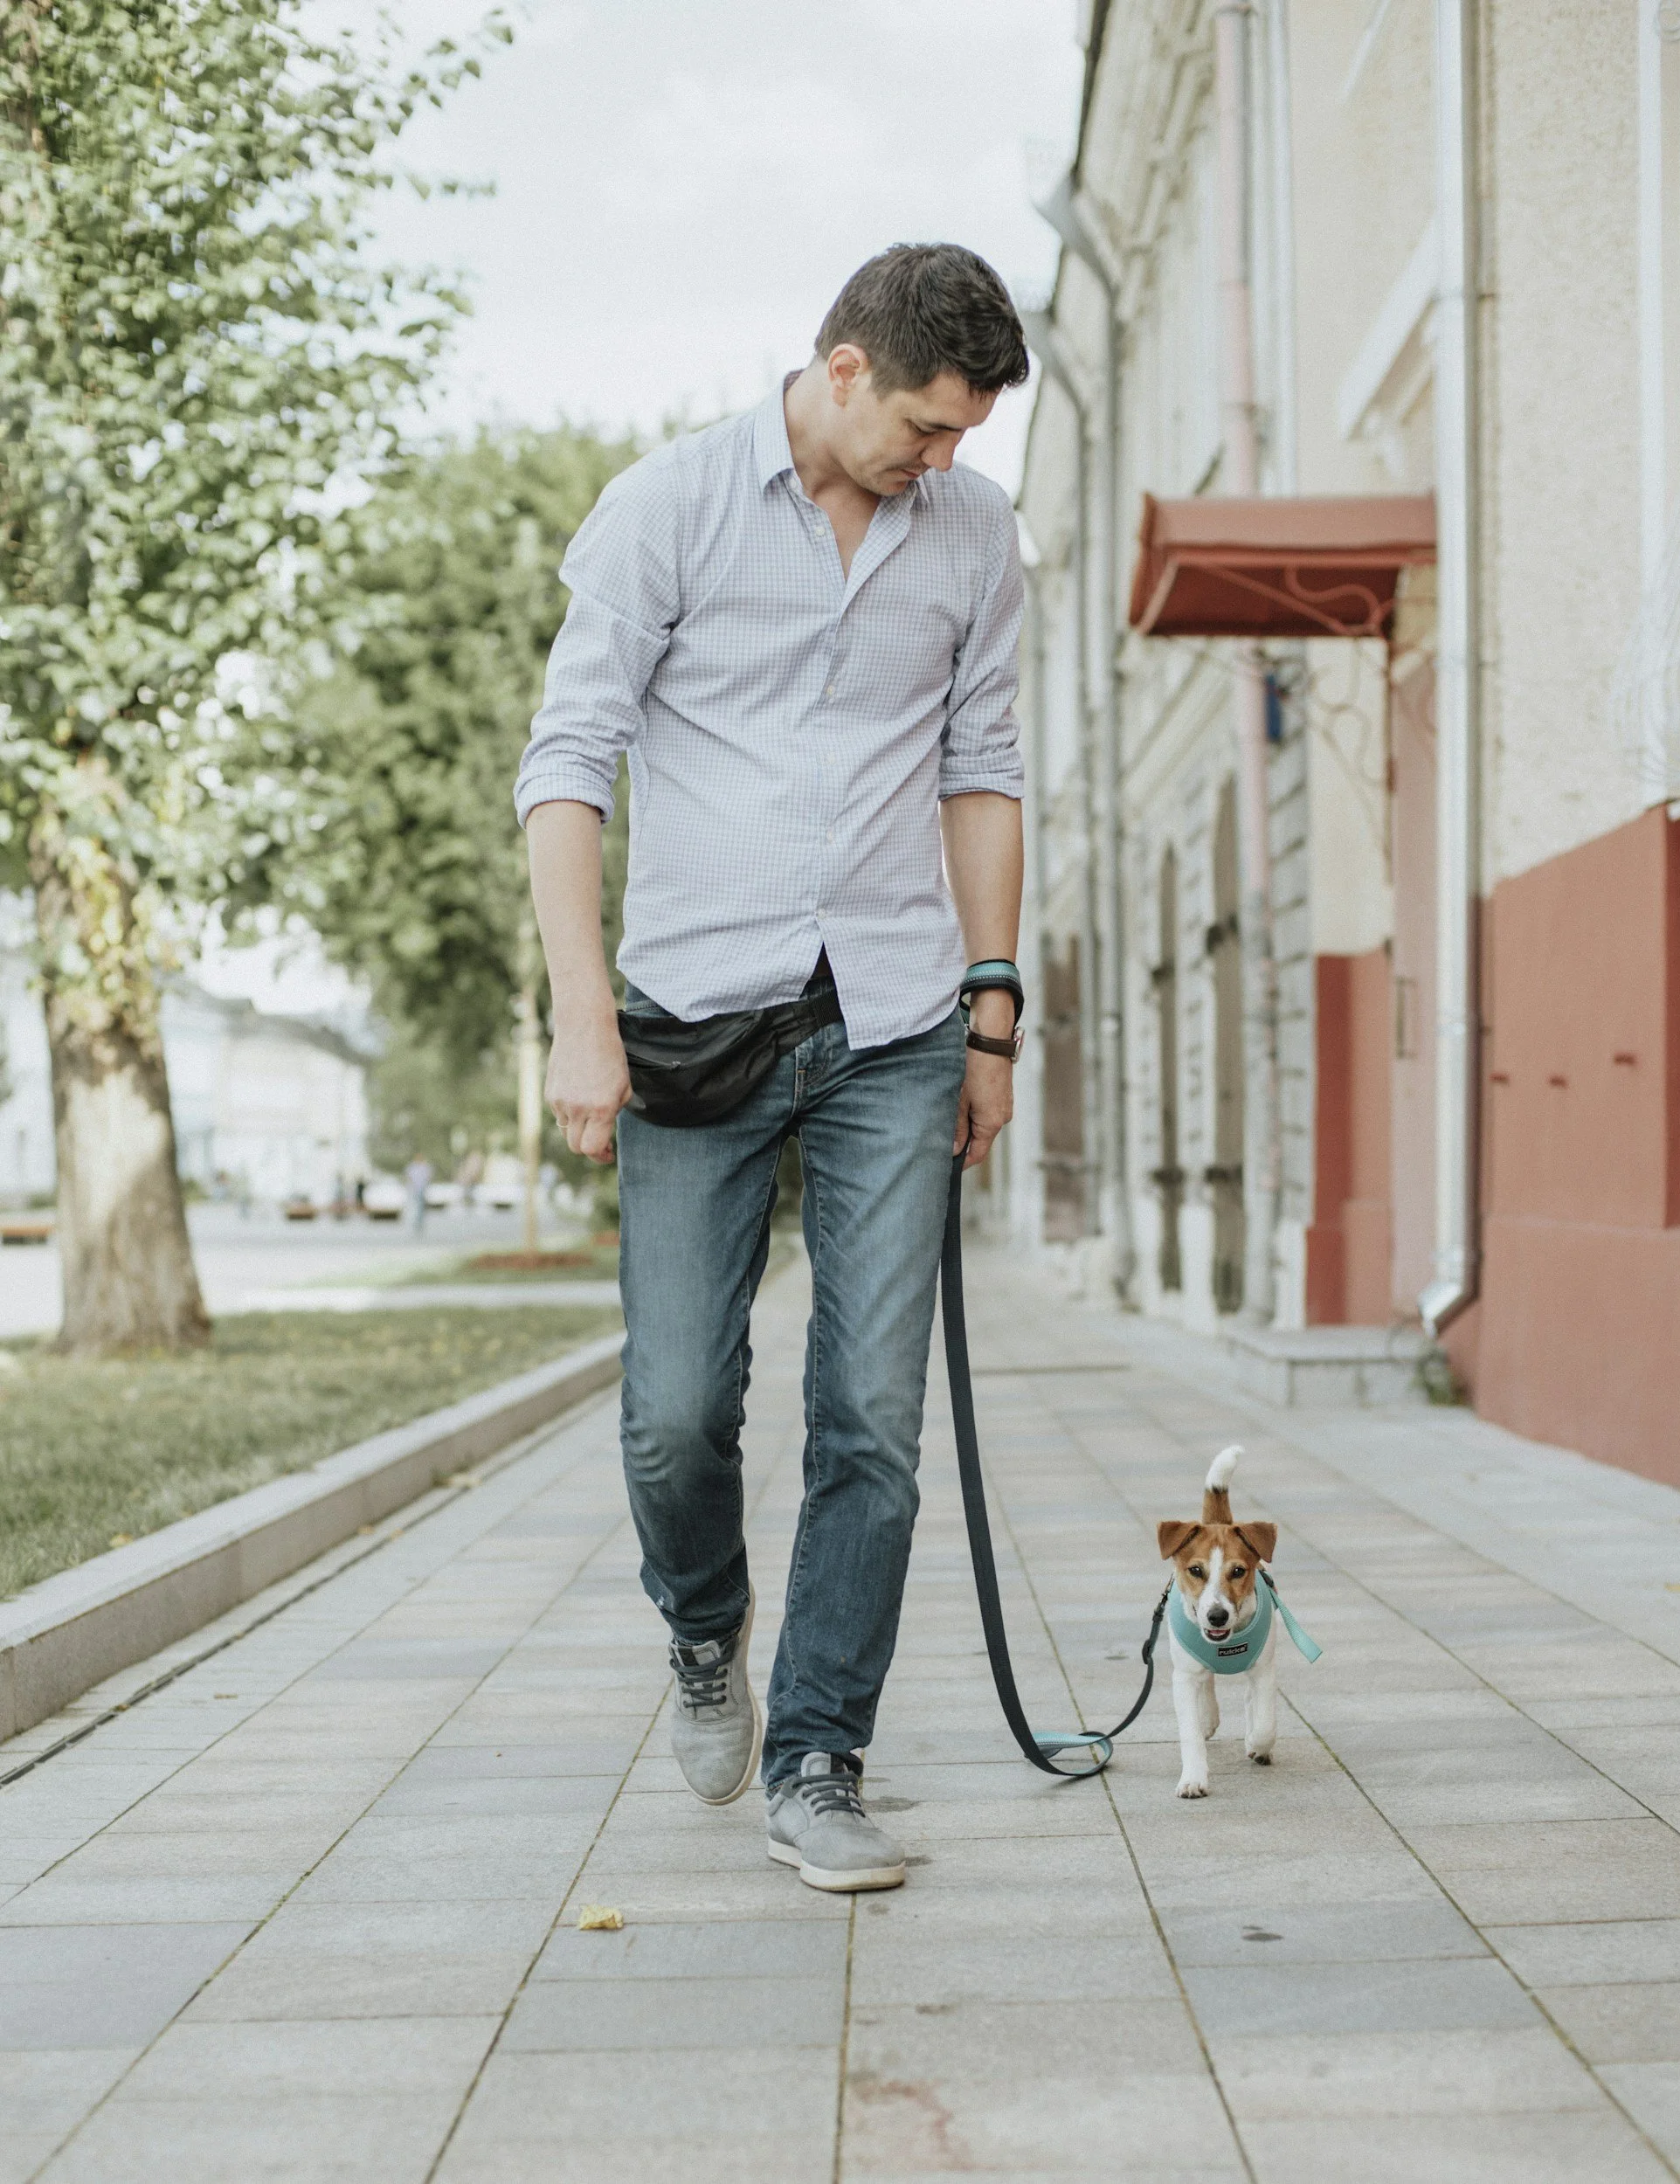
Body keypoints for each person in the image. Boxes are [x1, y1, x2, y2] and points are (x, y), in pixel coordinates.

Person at [519, 244, 1028, 1894]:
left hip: (893, 1017)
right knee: (676, 1415)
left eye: (965, 438)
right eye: (925, 429)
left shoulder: (977, 538)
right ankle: (704, 1629)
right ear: (840, 367)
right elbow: (569, 760)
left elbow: (986, 765)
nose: (941, 463)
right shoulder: (665, 507)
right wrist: (579, 1014)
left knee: (870, 1415)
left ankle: (820, 1755)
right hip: (690, 1022)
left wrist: (994, 1012)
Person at [404, 1153, 433, 1234]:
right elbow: (408, 1177)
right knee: (416, 1207)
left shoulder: (424, 1167)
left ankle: (419, 1222)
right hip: (414, 1189)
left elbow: (428, 1176)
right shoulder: (413, 1167)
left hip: (421, 1189)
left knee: (420, 1207)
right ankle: (417, 1222)